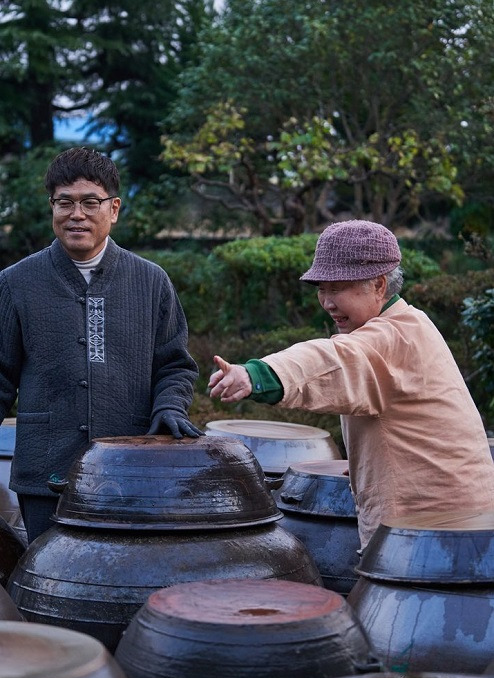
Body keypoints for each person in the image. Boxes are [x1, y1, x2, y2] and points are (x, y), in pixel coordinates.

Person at [209, 220, 494, 550]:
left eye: (338, 288)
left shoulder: (389, 338)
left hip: (435, 529)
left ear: (379, 285)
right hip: (459, 520)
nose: (328, 302)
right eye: (322, 289)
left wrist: (257, 375)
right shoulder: (410, 322)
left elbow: (330, 360)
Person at [0, 146, 202, 543]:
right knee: (45, 582)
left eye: (90, 202)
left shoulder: (151, 281)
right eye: (65, 203)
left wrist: (169, 406)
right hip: (46, 470)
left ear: (113, 208)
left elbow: (175, 365)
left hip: (131, 469)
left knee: (123, 583)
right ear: (52, 207)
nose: (77, 214)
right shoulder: (16, 282)